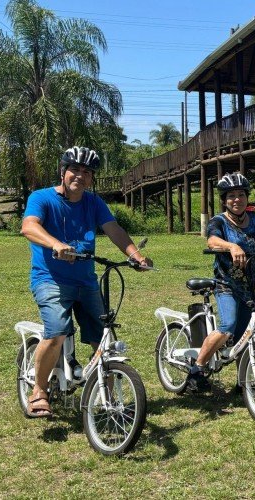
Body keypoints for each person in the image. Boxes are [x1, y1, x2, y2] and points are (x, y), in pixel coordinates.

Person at [21, 146, 152, 418]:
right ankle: (39, 392)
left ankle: (105, 390)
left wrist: (136, 256)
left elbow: (114, 230)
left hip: (86, 281)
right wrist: (56, 243)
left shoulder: (94, 203)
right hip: (50, 279)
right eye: (74, 169)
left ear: (91, 178)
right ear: (63, 171)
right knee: (57, 331)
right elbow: (29, 226)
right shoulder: (42, 198)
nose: (79, 176)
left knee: (105, 337)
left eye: (86, 172)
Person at [186, 172, 255, 392]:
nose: (237, 199)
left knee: (246, 333)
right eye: (231, 196)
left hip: (252, 287)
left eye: (241, 195)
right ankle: (197, 370)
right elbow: (212, 240)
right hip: (227, 285)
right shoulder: (219, 221)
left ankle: (242, 381)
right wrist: (232, 246)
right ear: (224, 200)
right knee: (227, 327)